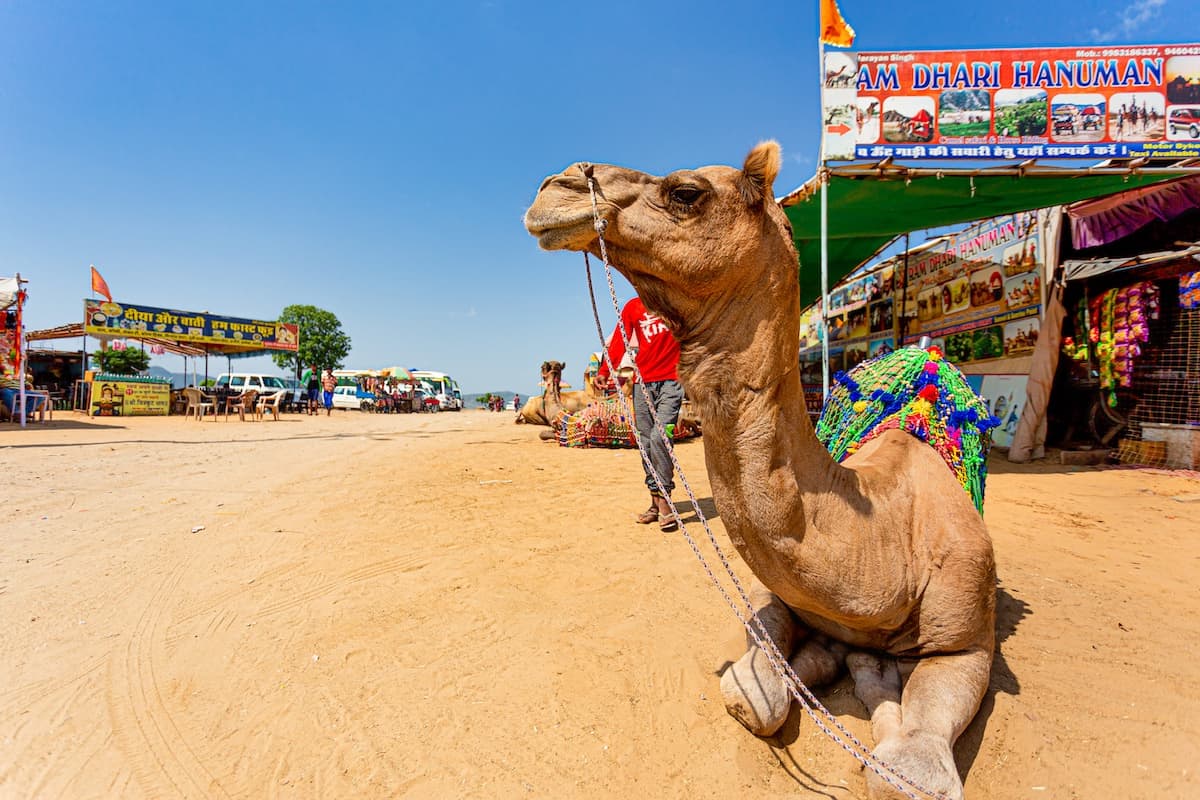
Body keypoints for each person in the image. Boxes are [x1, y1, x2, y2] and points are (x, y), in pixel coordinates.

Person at [595, 296, 683, 532]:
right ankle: (654, 502)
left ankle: (665, 500)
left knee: (660, 437)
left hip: (672, 381)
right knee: (645, 442)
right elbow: (619, 341)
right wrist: (605, 370)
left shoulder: (675, 298)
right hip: (642, 383)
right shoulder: (632, 307)